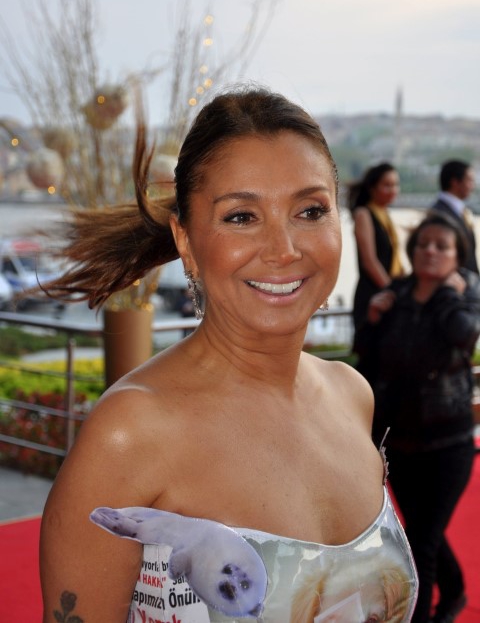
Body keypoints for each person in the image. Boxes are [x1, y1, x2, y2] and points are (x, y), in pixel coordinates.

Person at [39, 87, 418, 623]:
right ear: (186, 241)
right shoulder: (131, 432)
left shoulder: (351, 394)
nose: (284, 249)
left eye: (311, 210)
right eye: (241, 217)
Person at [356, 212, 480, 623]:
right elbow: (369, 357)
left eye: (442, 246)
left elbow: (465, 337)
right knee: (425, 532)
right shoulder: (397, 293)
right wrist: (373, 318)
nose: (430, 251)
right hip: (399, 441)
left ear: (458, 255)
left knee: (421, 543)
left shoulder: (465, 293)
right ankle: (455, 591)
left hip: (448, 444)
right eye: (424, 244)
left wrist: (446, 296)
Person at [347, 163, 404, 367]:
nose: (393, 190)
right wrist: (392, 292)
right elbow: (369, 261)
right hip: (372, 295)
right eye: (387, 185)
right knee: (373, 360)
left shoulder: (385, 215)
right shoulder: (364, 214)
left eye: (395, 185)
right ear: (372, 188)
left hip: (386, 292)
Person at [430, 159, 478, 274]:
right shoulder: (439, 215)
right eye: (469, 180)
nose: (473, 186)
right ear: (455, 182)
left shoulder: (459, 212)